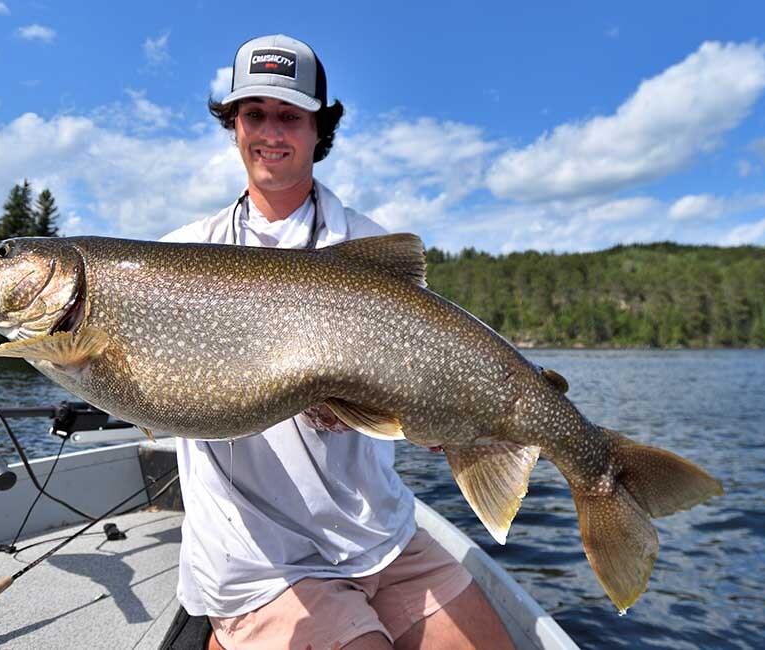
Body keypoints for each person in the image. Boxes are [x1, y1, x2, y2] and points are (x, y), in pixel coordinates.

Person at [160, 34, 513, 650]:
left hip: (379, 534)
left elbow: (419, 395)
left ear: (320, 130)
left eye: (290, 116)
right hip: (260, 558)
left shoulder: (370, 247)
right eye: (254, 114)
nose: (271, 132)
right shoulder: (181, 259)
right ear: (233, 125)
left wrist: (435, 419)